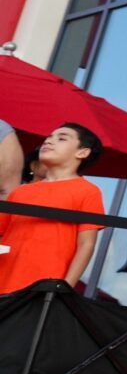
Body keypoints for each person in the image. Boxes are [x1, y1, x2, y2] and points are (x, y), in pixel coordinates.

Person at [0, 124, 106, 294]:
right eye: (48, 137)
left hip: (45, 287)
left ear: (82, 152)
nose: (49, 141)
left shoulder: (88, 191)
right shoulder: (20, 191)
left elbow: (87, 244)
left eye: (61, 138)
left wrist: (65, 288)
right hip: (3, 282)